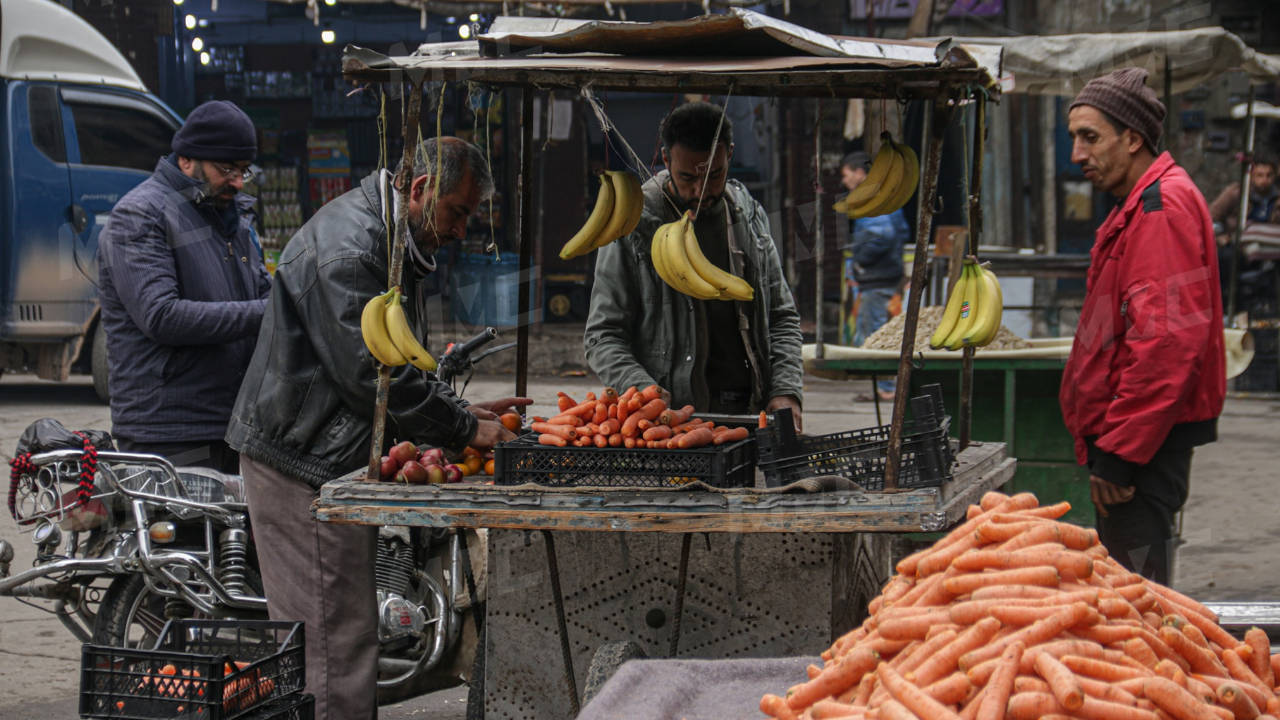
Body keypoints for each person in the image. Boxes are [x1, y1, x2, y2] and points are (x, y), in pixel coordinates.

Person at [225, 137, 528, 720]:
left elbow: (402, 360)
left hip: (325, 455)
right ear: (420, 190)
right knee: (332, 643)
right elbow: (372, 375)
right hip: (301, 461)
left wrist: (460, 412)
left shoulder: (392, 241)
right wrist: (462, 426)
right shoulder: (351, 250)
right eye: (457, 212)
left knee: (343, 632)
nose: (460, 229)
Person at [1060, 68, 1225, 584]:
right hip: (1137, 436)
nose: (1077, 154)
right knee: (1133, 592)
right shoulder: (1138, 206)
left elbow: (1166, 344)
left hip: (1142, 446)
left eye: (1090, 137)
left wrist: (1119, 454)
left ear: (1132, 139)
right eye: (1074, 138)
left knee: (1138, 601)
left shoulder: (1159, 209)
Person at [584, 102, 805, 429]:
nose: (701, 191)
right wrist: (643, 390)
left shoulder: (748, 217)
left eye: (715, 175)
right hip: (668, 421)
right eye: (687, 177)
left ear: (730, 154)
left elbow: (782, 316)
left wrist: (786, 390)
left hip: (749, 410)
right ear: (665, 158)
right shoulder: (634, 227)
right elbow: (602, 335)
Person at [97, 100, 270, 473]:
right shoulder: (140, 215)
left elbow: (261, 290)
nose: (238, 181)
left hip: (233, 423)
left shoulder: (232, 217)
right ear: (187, 160)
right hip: (169, 431)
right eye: (226, 169)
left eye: (244, 170)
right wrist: (269, 312)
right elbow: (161, 316)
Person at [838, 151, 910, 401]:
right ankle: (886, 386)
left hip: (878, 277)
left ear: (860, 173)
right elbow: (900, 231)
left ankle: (887, 388)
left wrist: (860, 260)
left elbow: (882, 235)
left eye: (847, 175)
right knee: (879, 330)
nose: (845, 181)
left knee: (876, 332)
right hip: (885, 275)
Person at [1207, 157, 1279, 307]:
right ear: (1252, 175)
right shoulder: (1236, 193)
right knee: (1226, 259)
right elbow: (1211, 217)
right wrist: (1220, 237)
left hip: (1268, 249)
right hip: (1238, 245)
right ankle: (1227, 304)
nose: (1264, 180)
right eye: (1259, 175)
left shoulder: (1277, 198)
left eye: (1269, 175)